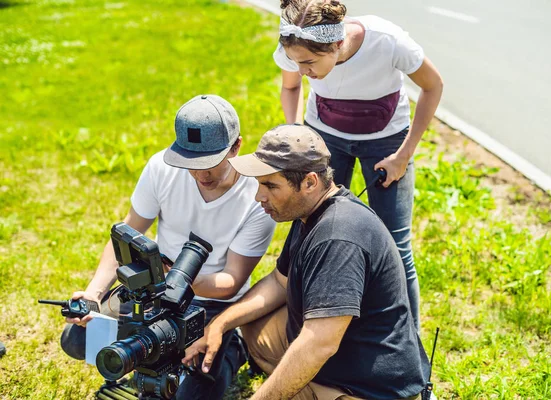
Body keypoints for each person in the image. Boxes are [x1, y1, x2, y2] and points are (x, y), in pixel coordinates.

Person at [182, 124, 431, 400]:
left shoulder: (338, 237)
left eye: (270, 186)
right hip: (333, 358)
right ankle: (294, 378)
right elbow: (279, 283)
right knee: (253, 326)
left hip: (366, 389)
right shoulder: (308, 213)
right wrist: (220, 323)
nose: (258, 196)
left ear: (310, 182)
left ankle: (301, 384)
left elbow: (318, 344)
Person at [60, 94, 276, 399]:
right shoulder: (162, 168)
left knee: (191, 394)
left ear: (237, 146)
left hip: (213, 304)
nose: (202, 174)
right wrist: (94, 293)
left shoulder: (258, 194)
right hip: (155, 294)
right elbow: (127, 231)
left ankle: (235, 343)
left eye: (211, 163)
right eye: (191, 163)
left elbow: (232, 281)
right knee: (78, 338)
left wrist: (173, 280)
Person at [274, 0, 444, 330]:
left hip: (386, 142)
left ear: (337, 44)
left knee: (395, 243)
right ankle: (302, 322)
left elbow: (433, 85)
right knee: (311, 228)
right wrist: (296, 130)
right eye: (297, 62)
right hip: (326, 135)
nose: (302, 70)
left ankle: (408, 338)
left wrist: (403, 156)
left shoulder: (387, 41)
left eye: (309, 62)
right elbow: (291, 86)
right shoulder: (295, 45)